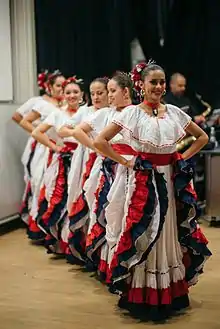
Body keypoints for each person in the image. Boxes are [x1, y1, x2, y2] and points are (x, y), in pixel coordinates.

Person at [93, 61, 211, 321]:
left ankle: (170, 292)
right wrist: (126, 161)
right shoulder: (132, 113)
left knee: (169, 231)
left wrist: (181, 158)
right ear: (141, 85)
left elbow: (202, 137)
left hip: (169, 179)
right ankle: (142, 294)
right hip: (143, 181)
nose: (158, 87)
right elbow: (100, 140)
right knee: (145, 231)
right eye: (153, 82)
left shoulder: (174, 113)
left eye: (161, 82)